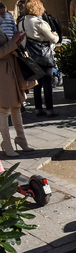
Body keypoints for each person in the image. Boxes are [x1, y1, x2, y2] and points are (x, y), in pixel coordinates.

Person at [19, 0, 59, 118]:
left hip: (30, 56)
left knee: (36, 83)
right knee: (47, 83)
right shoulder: (38, 22)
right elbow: (54, 40)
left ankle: (38, 109)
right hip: (43, 55)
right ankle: (49, 109)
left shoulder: (21, 22)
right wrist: (54, 35)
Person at [0, 27, 33, 156]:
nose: (3, 17)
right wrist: (13, 42)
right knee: (3, 110)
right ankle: (7, 145)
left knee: (16, 106)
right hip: (3, 74)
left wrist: (16, 42)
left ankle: (21, 139)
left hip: (11, 72)